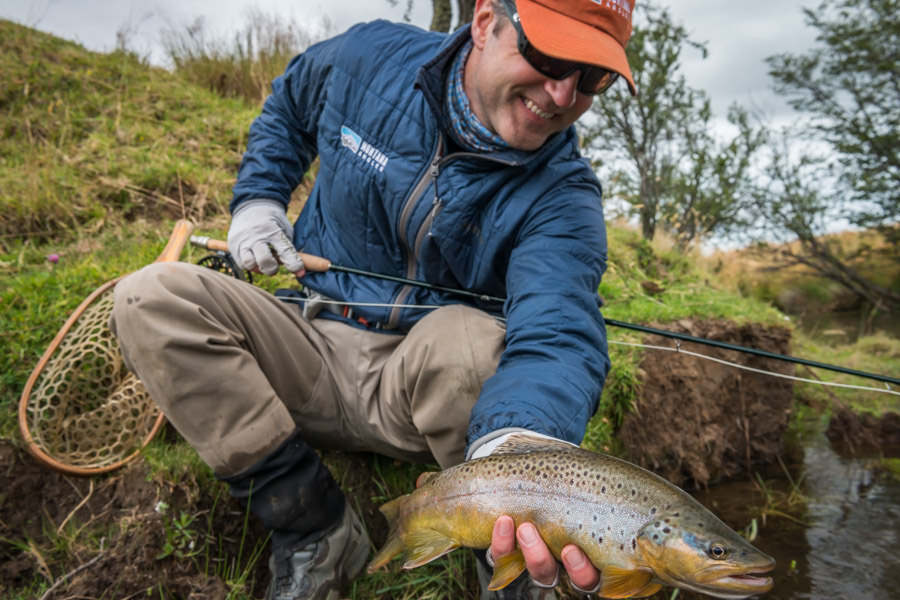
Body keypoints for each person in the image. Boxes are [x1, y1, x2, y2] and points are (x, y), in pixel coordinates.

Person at [110, 0, 637, 598]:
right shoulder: (369, 57)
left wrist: (520, 455)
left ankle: (508, 564)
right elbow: (289, 108)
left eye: (592, 78)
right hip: (305, 340)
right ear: (487, 22)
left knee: (472, 345)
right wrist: (258, 201)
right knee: (149, 297)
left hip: (423, 396)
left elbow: (558, 333)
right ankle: (315, 528)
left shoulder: (565, 198)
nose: (563, 94)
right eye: (547, 56)